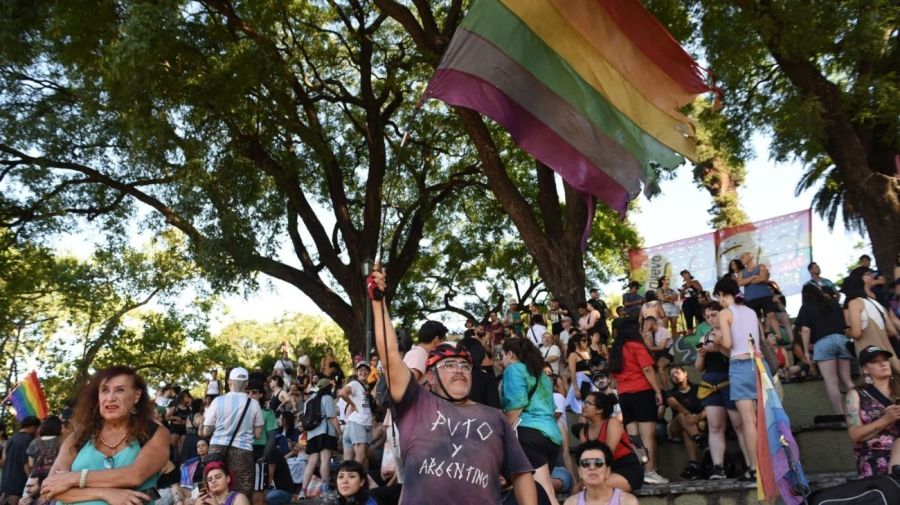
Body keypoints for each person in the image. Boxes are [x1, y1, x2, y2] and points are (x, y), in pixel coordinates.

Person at [368, 265, 537, 505]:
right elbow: (390, 354)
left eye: (464, 366)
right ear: (431, 377)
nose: (459, 369)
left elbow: (520, 473)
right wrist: (378, 302)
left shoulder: (495, 418)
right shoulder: (415, 405)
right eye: (448, 365)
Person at [38, 366, 170, 505]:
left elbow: (134, 476)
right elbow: (50, 487)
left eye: (119, 390)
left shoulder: (154, 433)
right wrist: (105, 493)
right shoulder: (79, 437)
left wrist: (73, 479)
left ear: (136, 395)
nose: (110, 397)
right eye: (105, 390)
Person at [713, 276, 766, 482]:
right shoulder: (751, 311)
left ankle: (755, 467)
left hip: (741, 367)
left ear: (720, 294)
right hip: (759, 365)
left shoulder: (726, 313)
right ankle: (766, 465)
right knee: (761, 418)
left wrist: (717, 341)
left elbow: (728, 343)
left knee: (748, 421)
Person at [502, 338, 563, 505]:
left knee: (545, 493)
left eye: (502, 356)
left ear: (510, 354)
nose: (502, 361)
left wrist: (503, 433)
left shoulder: (513, 369)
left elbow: (516, 405)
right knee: (545, 491)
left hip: (529, 434)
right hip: (552, 436)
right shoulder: (541, 374)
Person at [608, 319, 667, 485]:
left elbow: (613, 376)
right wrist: (657, 390)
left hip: (624, 394)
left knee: (634, 437)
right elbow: (647, 369)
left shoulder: (615, 350)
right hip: (642, 391)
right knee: (647, 435)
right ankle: (650, 470)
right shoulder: (636, 345)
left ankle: (641, 470)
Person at [695, 302, 749, 480]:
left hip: (731, 379)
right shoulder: (704, 337)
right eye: (708, 316)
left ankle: (751, 464)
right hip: (711, 381)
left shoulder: (731, 332)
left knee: (740, 425)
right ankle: (718, 467)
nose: (711, 319)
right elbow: (698, 367)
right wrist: (702, 354)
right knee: (715, 426)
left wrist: (719, 348)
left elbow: (737, 355)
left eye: (714, 314)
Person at [201, 367, 264, 498]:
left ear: (230, 382)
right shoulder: (253, 404)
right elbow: (258, 434)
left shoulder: (218, 401)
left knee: (213, 488)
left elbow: (207, 430)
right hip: (243, 450)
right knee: (242, 491)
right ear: (247, 384)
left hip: (216, 449)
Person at [795, 284, 854, 417]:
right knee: (847, 380)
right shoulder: (833, 303)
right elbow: (845, 324)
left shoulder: (806, 307)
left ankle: (840, 415)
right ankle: (857, 411)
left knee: (831, 381)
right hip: (841, 340)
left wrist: (806, 351)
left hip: (822, 343)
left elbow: (805, 330)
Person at [844, 346, 900, 478]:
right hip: (874, 459)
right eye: (875, 361)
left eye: (885, 359)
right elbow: (854, 435)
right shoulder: (856, 394)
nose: (883, 363)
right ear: (865, 369)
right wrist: (886, 419)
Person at [575, 393, 643, 492]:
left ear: (600, 409)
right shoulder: (583, 432)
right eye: (584, 402)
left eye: (588, 403)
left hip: (626, 470)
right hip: (599, 471)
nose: (584, 406)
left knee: (591, 487)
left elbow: (607, 454)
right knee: (576, 489)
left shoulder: (612, 423)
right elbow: (584, 458)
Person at [844, 268, 900, 377]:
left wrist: (847, 332)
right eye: (869, 274)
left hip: (870, 356)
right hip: (888, 354)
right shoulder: (876, 303)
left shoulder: (855, 303)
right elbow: (893, 331)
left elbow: (856, 333)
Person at [562, 441, 639, 505]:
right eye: (586, 463)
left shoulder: (627, 502)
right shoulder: (571, 503)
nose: (592, 468)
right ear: (579, 472)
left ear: (608, 470)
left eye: (598, 463)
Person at [300, 378, 339, 498]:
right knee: (325, 460)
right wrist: (339, 432)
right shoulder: (328, 398)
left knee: (312, 462)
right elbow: (332, 418)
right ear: (328, 388)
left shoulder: (309, 401)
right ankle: (325, 490)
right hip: (325, 432)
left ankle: (303, 491)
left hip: (312, 434)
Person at [665, 367, 706, 480]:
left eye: (677, 372)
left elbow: (707, 406)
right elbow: (675, 405)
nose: (675, 376)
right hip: (675, 426)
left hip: (692, 425)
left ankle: (693, 465)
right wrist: (689, 414)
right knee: (681, 416)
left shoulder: (698, 388)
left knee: (686, 431)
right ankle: (699, 439)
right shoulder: (671, 393)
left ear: (685, 373)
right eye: (672, 375)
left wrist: (698, 417)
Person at [736, 252, 780, 337]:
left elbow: (763, 278)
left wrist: (747, 281)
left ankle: (780, 337)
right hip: (750, 299)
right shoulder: (741, 272)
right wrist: (753, 277)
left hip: (765, 295)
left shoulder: (761, 266)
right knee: (756, 320)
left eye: (742, 257)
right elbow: (739, 283)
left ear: (750, 256)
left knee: (771, 315)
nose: (741, 259)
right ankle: (763, 339)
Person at [340, 361, 374, 469]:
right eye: (361, 370)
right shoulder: (354, 383)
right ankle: (354, 484)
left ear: (369, 372)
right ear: (357, 372)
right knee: (360, 459)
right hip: (358, 424)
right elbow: (342, 393)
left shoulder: (367, 388)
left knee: (348, 462)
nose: (363, 372)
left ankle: (348, 483)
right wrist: (352, 404)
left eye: (366, 370)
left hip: (356, 424)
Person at [1, 416, 40, 505]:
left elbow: (4, 459)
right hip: (18, 486)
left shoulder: (11, 439)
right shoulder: (28, 440)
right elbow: (26, 464)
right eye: (37, 428)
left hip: (6, 485)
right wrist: (30, 481)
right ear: (33, 427)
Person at [640, 316, 672, 391]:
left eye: (645, 324)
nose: (644, 326)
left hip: (667, 353)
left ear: (651, 323)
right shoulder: (651, 333)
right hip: (657, 354)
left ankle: (667, 391)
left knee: (660, 368)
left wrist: (650, 348)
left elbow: (661, 347)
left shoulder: (663, 331)